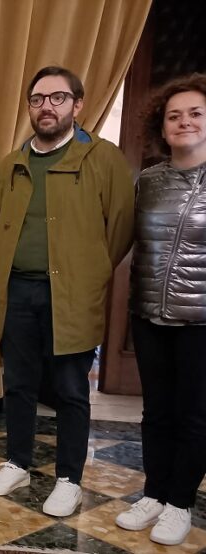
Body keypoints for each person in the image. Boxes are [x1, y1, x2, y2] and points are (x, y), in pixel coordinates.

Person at [0, 66, 135, 517]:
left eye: (57, 98)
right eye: (37, 99)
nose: (46, 107)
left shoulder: (103, 158)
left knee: (70, 388)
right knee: (18, 383)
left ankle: (69, 478)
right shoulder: (11, 164)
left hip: (71, 294)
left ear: (77, 104)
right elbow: (1, 222)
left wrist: (87, 271)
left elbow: (120, 229)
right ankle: (18, 462)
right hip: (17, 290)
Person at [114, 73, 206, 546]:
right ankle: (153, 492)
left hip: (201, 321)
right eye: (174, 115)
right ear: (162, 126)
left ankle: (179, 503)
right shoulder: (148, 180)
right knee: (155, 411)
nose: (184, 121)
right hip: (149, 313)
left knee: (195, 414)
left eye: (195, 113)